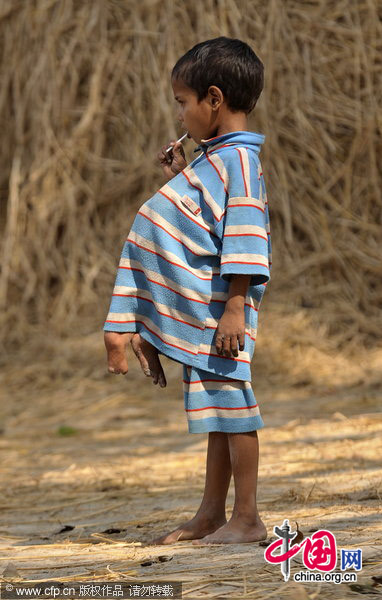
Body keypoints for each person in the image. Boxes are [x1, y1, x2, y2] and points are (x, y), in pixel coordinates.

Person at [103, 36, 272, 545]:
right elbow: (205, 218)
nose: (179, 114)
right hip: (212, 310)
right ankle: (210, 513)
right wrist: (181, 176)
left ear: (214, 99)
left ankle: (247, 517)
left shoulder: (238, 161)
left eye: (183, 102)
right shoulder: (215, 158)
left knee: (233, 406)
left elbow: (244, 234)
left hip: (223, 311)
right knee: (217, 410)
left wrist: (236, 308)